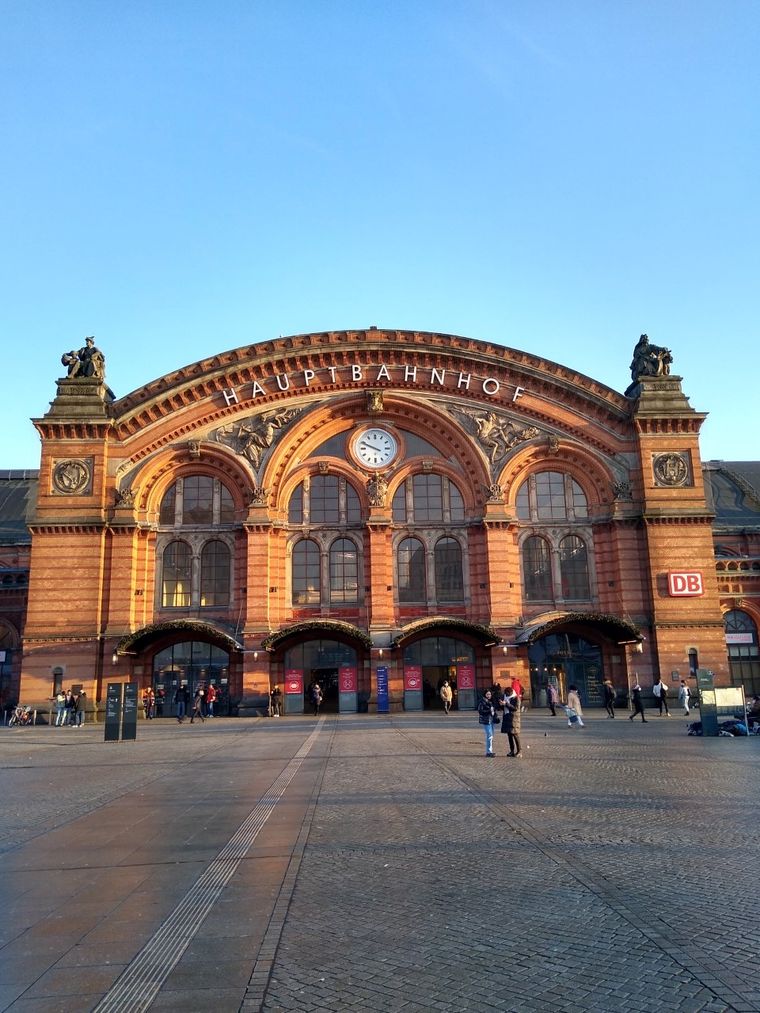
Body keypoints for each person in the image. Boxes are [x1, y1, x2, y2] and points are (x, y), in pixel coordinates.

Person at [500, 684, 522, 757]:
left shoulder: (516, 698)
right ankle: (512, 751)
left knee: (515, 735)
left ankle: (519, 751)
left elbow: (515, 708)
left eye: (507, 694)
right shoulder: (506, 698)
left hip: (514, 719)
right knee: (509, 735)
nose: (506, 695)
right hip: (507, 718)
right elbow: (504, 708)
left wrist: (506, 704)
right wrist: (502, 704)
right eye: (505, 694)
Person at [477, 689, 497, 757]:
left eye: (490, 694)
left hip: (491, 720)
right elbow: (480, 711)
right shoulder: (482, 702)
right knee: (489, 735)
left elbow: (494, 711)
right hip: (486, 720)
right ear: (485, 694)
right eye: (487, 694)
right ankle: (488, 752)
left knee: (491, 736)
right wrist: (488, 711)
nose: (489, 696)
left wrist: (496, 717)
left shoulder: (491, 701)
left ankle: (490, 751)